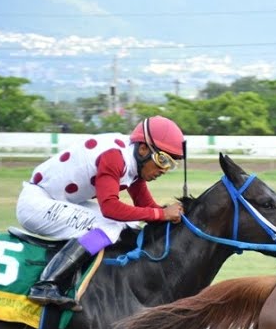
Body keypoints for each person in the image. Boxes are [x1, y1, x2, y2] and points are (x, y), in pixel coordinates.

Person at [16, 115, 187, 310]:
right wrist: (161, 214)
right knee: (110, 225)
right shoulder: (114, 157)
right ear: (143, 149)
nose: (164, 169)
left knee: (129, 225)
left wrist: (178, 217)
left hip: (57, 201)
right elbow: (110, 209)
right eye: (162, 160)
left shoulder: (133, 162)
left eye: (171, 164)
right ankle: (47, 284)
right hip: (36, 204)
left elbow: (145, 205)